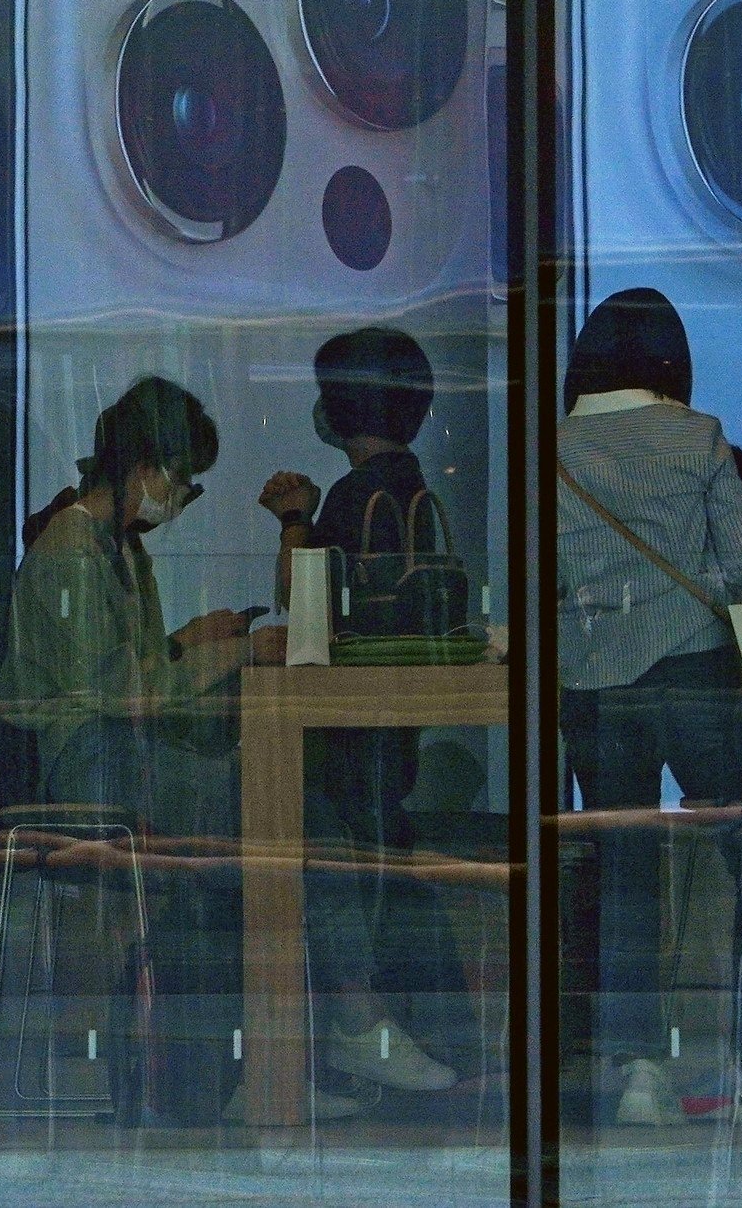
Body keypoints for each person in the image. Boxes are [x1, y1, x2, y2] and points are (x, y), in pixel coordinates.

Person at [1, 375, 442, 1121]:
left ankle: (271, 1061)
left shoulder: (114, 545)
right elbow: (121, 692)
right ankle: (348, 1023)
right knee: (281, 814)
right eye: (183, 482)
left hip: (117, 748)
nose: (180, 499)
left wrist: (199, 647)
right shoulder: (76, 547)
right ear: (145, 468)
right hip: (92, 760)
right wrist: (235, 654)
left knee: (271, 824)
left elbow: (131, 674)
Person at [555, 289, 742, 1131]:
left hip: (591, 686)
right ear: (670, 362)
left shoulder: (554, 450)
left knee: (623, 875)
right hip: (690, 675)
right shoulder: (697, 438)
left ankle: (638, 1073)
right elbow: (736, 570)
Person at [257, 326, 467, 1093]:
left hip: (350, 716)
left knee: (354, 861)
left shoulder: (352, 495)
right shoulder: (417, 483)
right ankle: (413, 1032)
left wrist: (293, 521)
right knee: (389, 855)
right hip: (402, 706)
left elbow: (303, 607)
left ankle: (366, 1036)